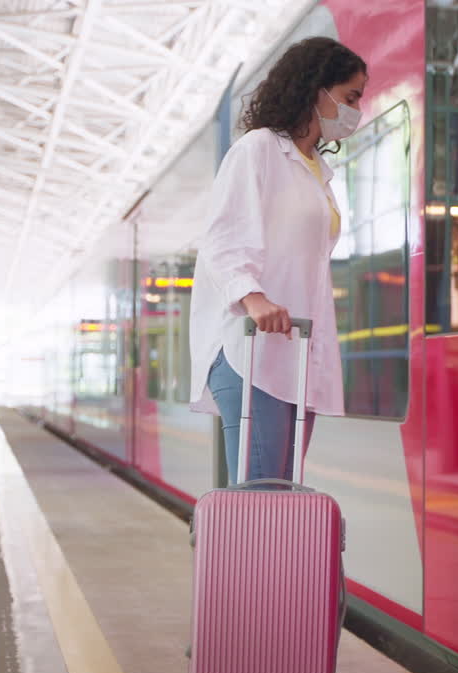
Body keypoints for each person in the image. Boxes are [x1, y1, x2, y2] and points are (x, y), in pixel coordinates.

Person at [189, 37, 367, 482]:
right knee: (260, 499)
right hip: (251, 350)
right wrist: (253, 298)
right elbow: (222, 237)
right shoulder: (259, 149)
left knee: (281, 502)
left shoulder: (317, 170)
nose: (354, 111)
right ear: (316, 90)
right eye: (349, 97)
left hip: (296, 355)